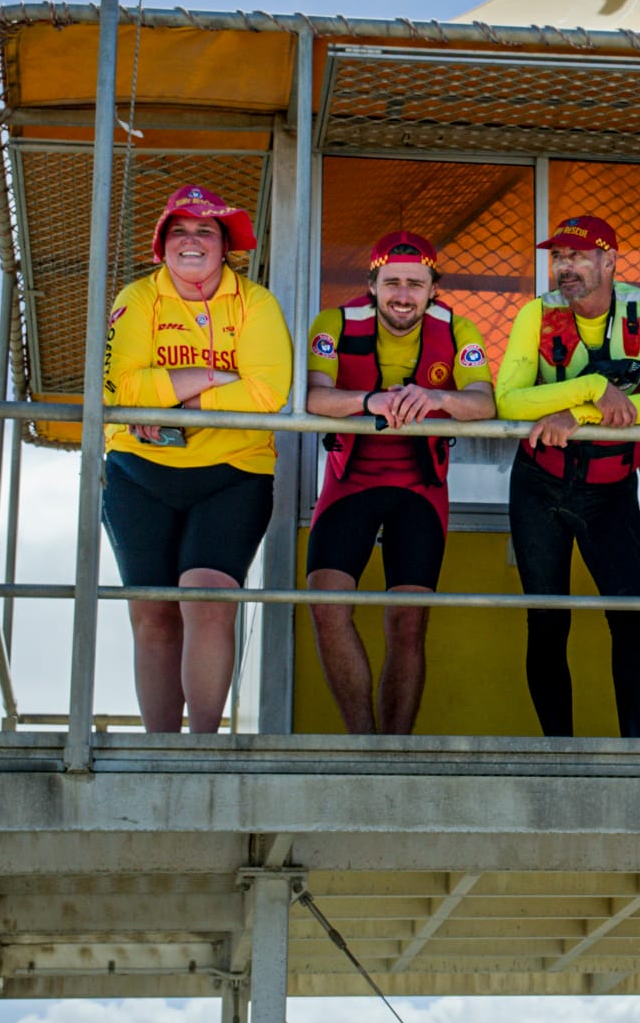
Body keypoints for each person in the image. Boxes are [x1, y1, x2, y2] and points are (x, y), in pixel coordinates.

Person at [101, 185, 289, 733]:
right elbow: (120, 388)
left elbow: (267, 393)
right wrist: (214, 377)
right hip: (139, 471)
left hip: (234, 472)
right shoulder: (136, 298)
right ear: (161, 247)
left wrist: (170, 399)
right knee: (154, 611)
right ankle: (162, 750)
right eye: (178, 231)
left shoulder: (256, 302)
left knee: (207, 597)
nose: (191, 241)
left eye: (205, 230)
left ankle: (203, 746)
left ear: (225, 245)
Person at [495, 215, 640, 738]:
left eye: (578, 256)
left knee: (628, 616)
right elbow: (508, 401)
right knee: (548, 619)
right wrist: (595, 387)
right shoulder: (537, 312)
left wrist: (578, 414)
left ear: (609, 260)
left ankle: (634, 751)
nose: (565, 267)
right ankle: (559, 750)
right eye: (558, 257)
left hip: (612, 489)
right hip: (539, 483)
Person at [303, 231, 496, 735]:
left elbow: (485, 403)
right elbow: (314, 399)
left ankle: (395, 750)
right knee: (326, 606)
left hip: (419, 487)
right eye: (392, 283)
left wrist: (436, 397)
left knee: (407, 623)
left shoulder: (458, 329)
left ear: (434, 288)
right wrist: (371, 401)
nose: (403, 294)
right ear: (372, 285)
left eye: (415, 283)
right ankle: (364, 745)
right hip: (349, 482)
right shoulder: (335, 324)